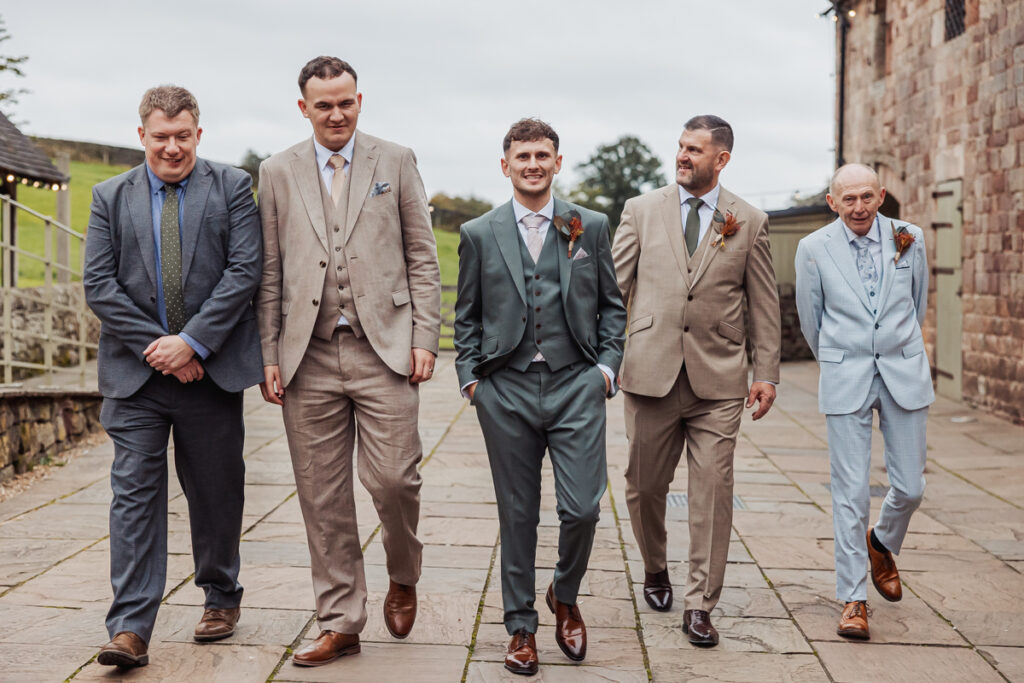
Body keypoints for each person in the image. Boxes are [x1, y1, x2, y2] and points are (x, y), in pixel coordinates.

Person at [256, 56, 441, 667]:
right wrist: (269, 353)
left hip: (384, 349)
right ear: (303, 107)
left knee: (394, 481)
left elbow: (422, 254)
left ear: (360, 100)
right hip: (306, 354)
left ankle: (404, 571)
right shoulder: (277, 170)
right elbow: (269, 271)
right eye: (323, 105)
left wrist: (425, 336)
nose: (336, 114)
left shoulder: (395, 160)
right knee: (321, 495)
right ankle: (340, 619)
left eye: (346, 103)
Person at [84, 85, 263, 668]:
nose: (171, 147)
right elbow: (100, 286)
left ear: (198, 134)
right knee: (133, 498)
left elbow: (244, 271)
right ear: (142, 136)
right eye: (160, 137)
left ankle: (220, 593)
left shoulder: (232, 186)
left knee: (216, 493)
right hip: (136, 378)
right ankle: (130, 626)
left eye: (182, 135)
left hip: (208, 375)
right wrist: (159, 348)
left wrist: (192, 344)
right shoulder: (109, 195)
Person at [454, 118, 626, 676]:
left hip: (576, 381)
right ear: (505, 165)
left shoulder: (589, 225)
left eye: (542, 155)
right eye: (522, 155)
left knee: (583, 507)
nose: (533, 164)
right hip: (504, 387)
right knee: (517, 513)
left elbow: (612, 307)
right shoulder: (480, 232)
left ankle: (565, 593)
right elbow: (467, 316)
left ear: (557, 162)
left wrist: (605, 369)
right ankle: (520, 628)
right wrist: (472, 379)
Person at [611, 115, 781, 647]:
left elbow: (764, 302)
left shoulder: (748, 220)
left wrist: (767, 372)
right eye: (680, 147)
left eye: (695, 150)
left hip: (719, 378)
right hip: (648, 372)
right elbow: (612, 290)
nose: (682, 156)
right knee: (643, 488)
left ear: (721, 159)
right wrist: (602, 358)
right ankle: (655, 567)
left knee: (712, 492)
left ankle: (699, 603)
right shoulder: (640, 211)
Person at [795, 163, 932, 640]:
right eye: (848, 199)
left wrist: (895, 346)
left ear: (881, 196)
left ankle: (882, 540)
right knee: (849, 493)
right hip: (845, 374)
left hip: (903, 371)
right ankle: (854, 599)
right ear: (832, 202)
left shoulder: (910, 237)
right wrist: (840, 359)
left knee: (911, 487)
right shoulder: (812, 249)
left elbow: (918, 304)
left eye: (867, 197)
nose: (858, 207)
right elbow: (811, 321)